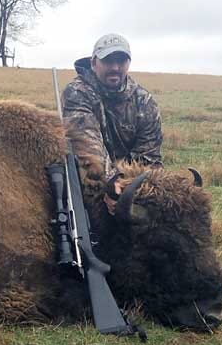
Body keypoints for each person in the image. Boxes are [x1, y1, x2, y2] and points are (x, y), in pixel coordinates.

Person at [61, 33, 163, 212]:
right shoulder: (77, 93)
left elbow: (149, 157)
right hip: (89, 176)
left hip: (131, 182)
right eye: (108, 61)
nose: (115, 67)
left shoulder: (144, 102)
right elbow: (87, 147)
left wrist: (128, 187)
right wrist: (112, 183)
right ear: (94, 63)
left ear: (128, 63)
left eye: (121, 61)